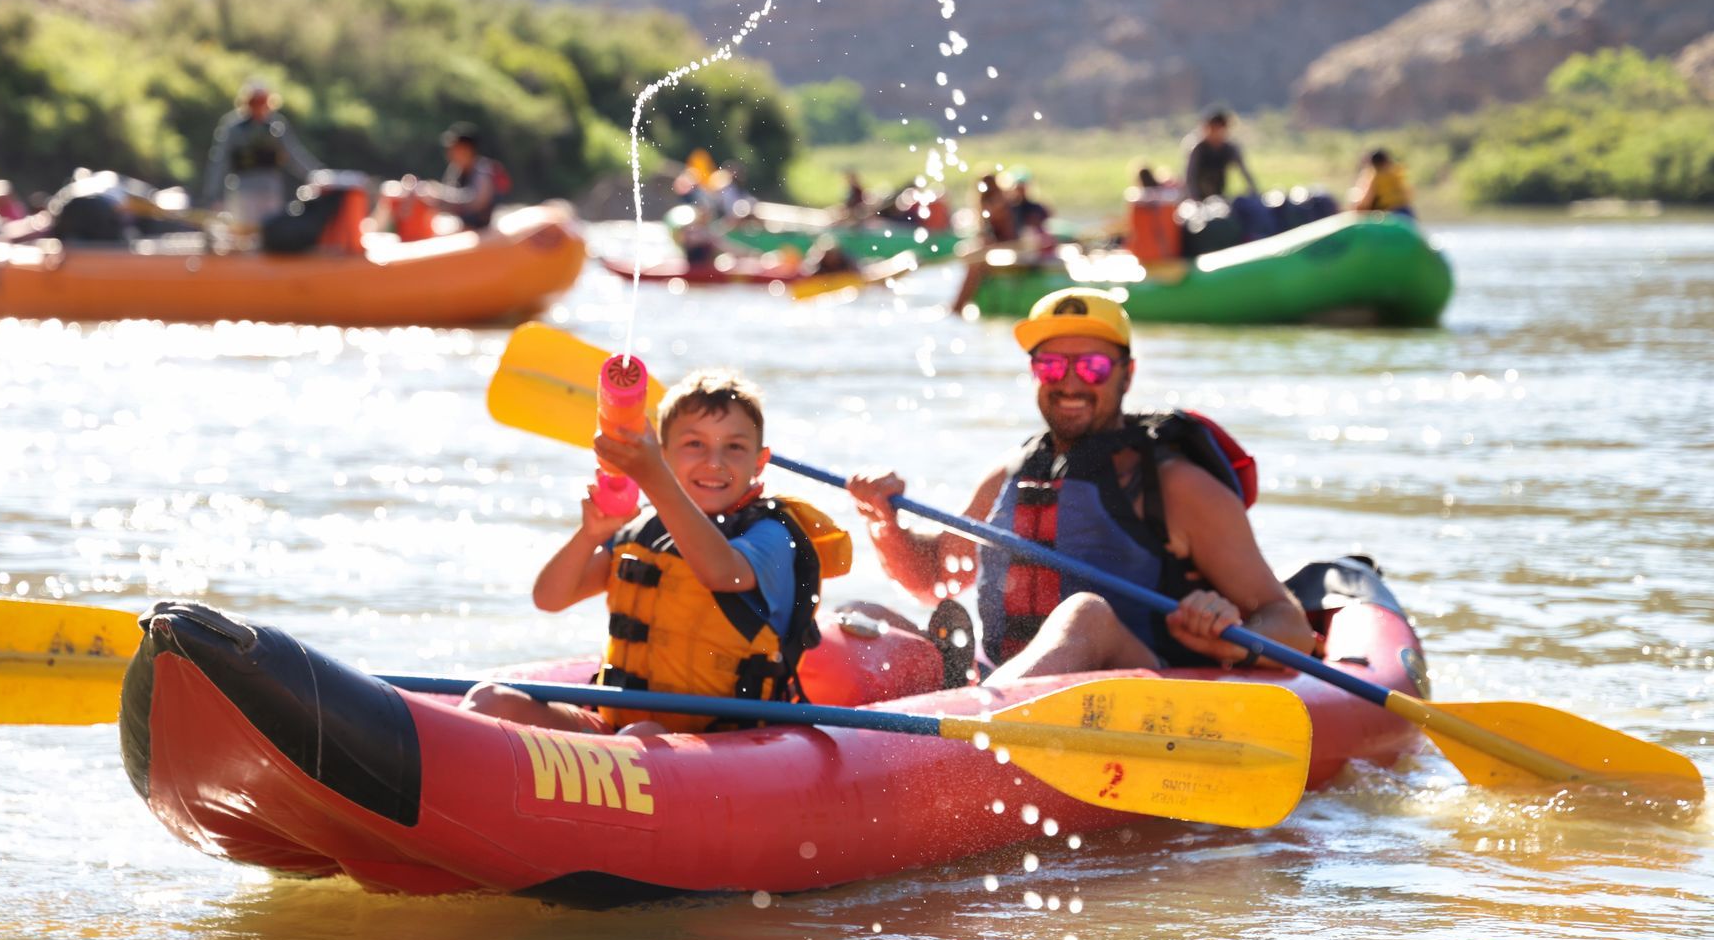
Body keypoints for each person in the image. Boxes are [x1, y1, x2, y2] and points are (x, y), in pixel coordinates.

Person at [845, 287, 1315, 688]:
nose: (1069, 383)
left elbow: (1289, 623)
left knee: (1085, 616)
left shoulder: (1176, 485)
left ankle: (972, 725)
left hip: (1139, 692)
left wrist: (1225, 633)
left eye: (1091, 367)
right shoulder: (1009, 473)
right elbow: (934, 578)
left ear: (1127, 375)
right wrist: (884, 522)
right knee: (862, 615)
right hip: (1001, 685)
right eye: (1051, 366)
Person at [460, 368, 848, 735]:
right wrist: (591, 533)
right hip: (618, 728)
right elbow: (549, 598)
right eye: (694, 444)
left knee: (643, 734)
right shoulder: (643, 528)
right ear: (662, 453)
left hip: (720, 744)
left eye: (734, 447)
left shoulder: (770, 536)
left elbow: (721, 572)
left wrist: (653, 477)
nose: (714, 462)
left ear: (759, 462)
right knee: (490, 700)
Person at [201, 80, 321, 228]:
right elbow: (220, 162)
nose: (259, 107)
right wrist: (213, 195)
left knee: (269, 235)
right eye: (254, 102)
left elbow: (294, 155)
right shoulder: (233, 128)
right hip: (243, 190)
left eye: (262, 102)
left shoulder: (276, 127)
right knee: (243, 236)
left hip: (270, 190)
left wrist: (317, 176)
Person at [417, 122, 507, 232]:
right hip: (461, 226)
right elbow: (448, 196)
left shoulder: (482, 170)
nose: (450, 153)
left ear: (467, 149)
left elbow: (476, 202)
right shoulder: (455, 169)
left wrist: (439, 194)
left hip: (483, 230)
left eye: (455, 148)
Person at [1181, 109, 1260, 203]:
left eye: (1220, 128)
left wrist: (1255, 193)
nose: (1216, 132)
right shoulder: (1198, 149)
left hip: (1218, 197)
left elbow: (1245, 173)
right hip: (1195, 200)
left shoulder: (1229, 149)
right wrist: (1195, 200)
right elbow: (1190, 178)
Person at [1349, 148, 1414, 217]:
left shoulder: (1377, 177)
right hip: (1408, 212)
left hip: (1391, 214)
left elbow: (1365, 202)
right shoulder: (1398, 172)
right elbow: (1410, 193)